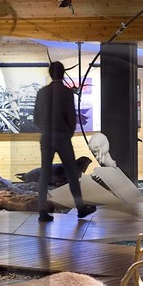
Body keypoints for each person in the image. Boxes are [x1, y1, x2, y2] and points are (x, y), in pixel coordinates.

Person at [32, 60, 95, 222]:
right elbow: (71, 117)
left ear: (50, 73)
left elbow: (36, 118)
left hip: (46, 137)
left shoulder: (41, 92)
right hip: (62, 137)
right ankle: (80, 208)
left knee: (45, 174)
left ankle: (42, 211)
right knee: (72, 174)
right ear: (63, 73)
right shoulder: (67, 93)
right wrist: (67, 134)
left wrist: (46, 130)